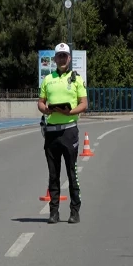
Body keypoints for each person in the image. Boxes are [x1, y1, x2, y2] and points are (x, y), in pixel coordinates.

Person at [38, 43, 88, 224]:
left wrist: (70, 112)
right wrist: (46, 110)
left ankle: (75, 211)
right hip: (51, 133)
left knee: (71, 172)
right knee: (53, 174)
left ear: (69, 58)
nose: (61, 59)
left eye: (64, 56)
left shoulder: (76, 79)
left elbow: (84, 103)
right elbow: (41, 102)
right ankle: (54, 212)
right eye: (59, 56)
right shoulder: (47, 79)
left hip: (69, 131)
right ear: (54, 59)